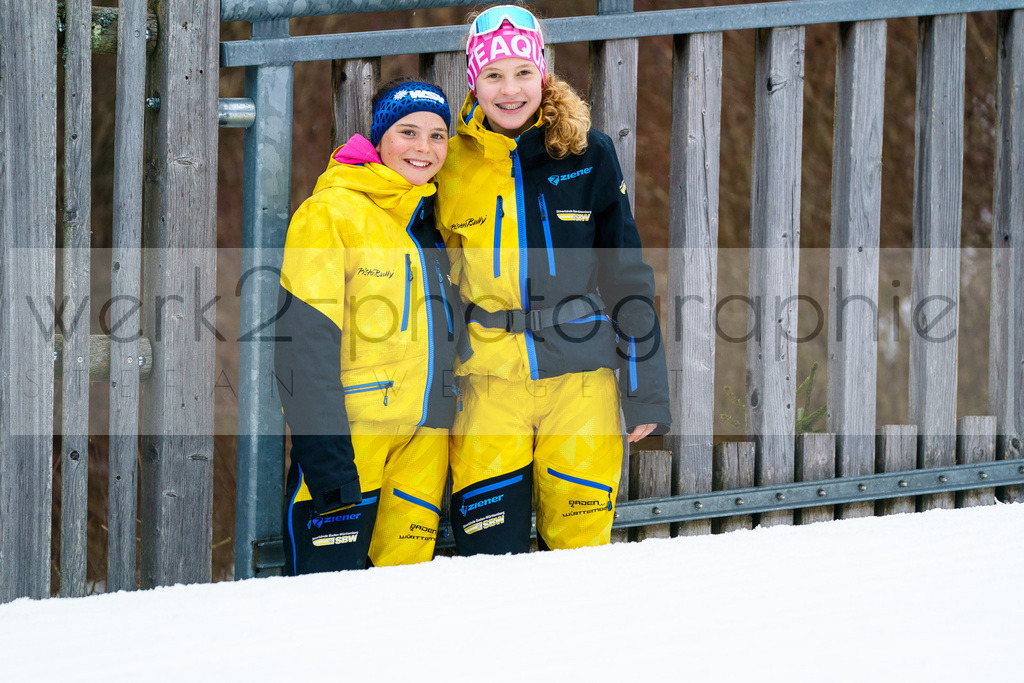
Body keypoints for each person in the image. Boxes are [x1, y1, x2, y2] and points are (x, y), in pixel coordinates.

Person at [436, 5, 671, 555]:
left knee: (580, 553)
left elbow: (625, 273)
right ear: (474, 81)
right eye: (493, 75)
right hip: (487, 383)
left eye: (522, 72)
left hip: (581, 381)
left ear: (543, 72)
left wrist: (645, 391)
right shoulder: (448, 162)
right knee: (489, 555)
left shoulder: (589, 153)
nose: (510, 90)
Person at [275, 79, 462, 574]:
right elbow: (304, 346)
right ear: (379, 139)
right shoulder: (331, 214)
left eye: (438, 135)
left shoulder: (432, 222)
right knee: (328, 613)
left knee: (403, 607)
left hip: (422, 452)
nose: (424, 148)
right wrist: (329, 464)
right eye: (408, 132)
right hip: (349, 449)